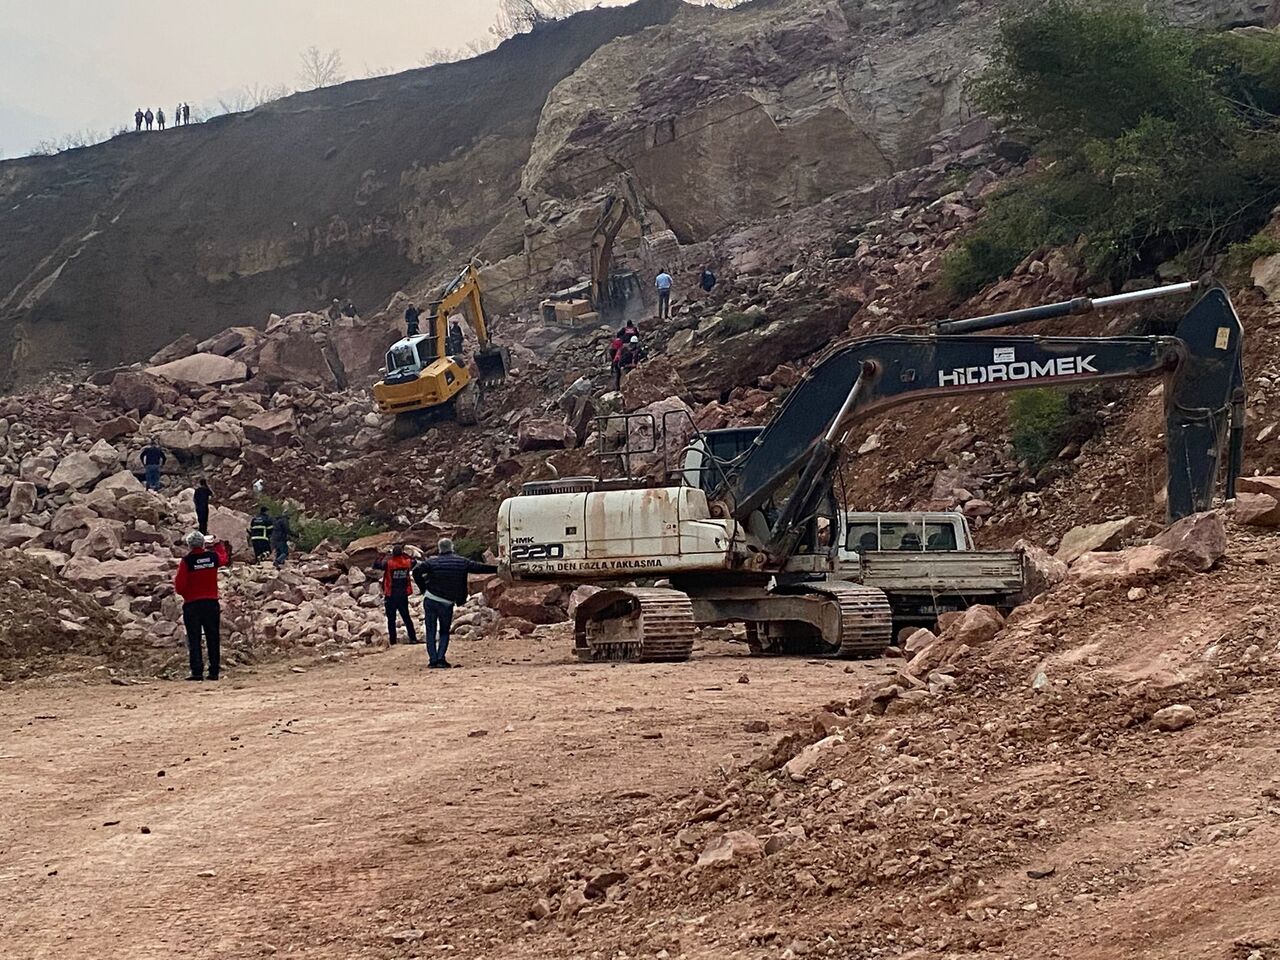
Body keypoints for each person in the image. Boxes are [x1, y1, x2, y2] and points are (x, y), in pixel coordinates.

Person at [411, 538, 497, 669]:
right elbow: (479, 568)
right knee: (445, 631)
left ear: (439, 549)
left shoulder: (432, 562)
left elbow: (416, 571)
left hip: (430, 599)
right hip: (447, 602)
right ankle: (441, 659)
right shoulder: (461, 562)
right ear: (452, 547)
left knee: (431, 630)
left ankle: (432, 660)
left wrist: (423, 588)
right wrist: (497, 569)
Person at [174, 531, 229, 681]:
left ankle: (197, 672)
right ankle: (214, 671)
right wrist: (218, 545)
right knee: (213, 637)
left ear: (189, 545)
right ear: (203, 543)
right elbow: (224, 559)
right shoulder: (212, 557)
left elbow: (179, 586)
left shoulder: (187, 561)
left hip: (192, 604)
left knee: (194, 638)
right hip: (211, 602)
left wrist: (188, 594)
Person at [373, 544, 418, 646]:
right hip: (403, 594)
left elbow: (376, 564)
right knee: (406, 617)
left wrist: (382, 555)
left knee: (391, 620)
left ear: (393, 554)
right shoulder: (407, 563)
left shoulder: (389, 563)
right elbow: (414, 561)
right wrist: (406, 555)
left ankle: (393, 641)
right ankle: (413, 638)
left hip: (391, 595)